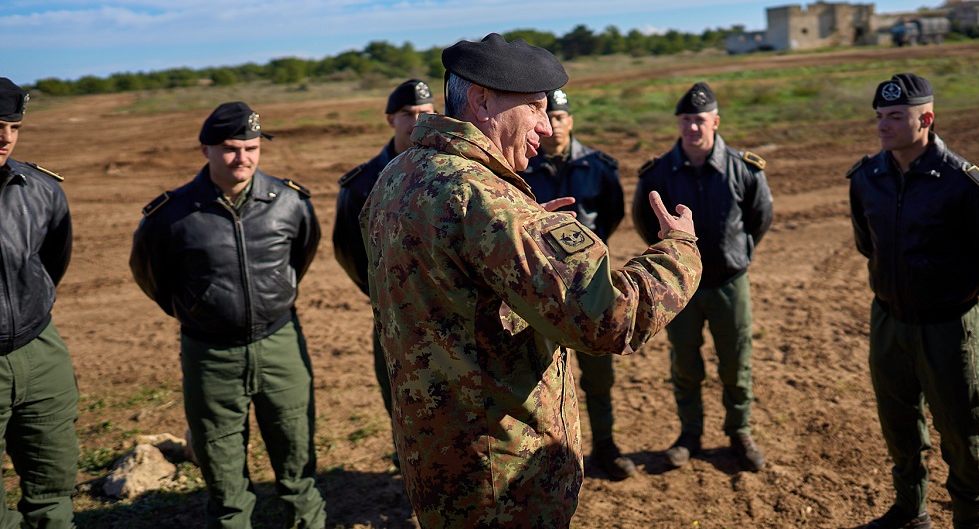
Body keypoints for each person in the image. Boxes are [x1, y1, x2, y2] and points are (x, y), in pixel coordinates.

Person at [361, 33, 703, 529]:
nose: (547, 126)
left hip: (436, 460)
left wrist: (508, 242)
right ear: (481, 100)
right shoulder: (483, 199)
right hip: (502, 477)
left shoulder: (400, 174)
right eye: (536, 108)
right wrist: (679, 250)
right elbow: (612, 318)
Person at [846, 73, 979, 529]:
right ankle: (911, 511)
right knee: (898, 423)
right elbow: (867, 244)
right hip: (889, 321)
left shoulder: (964, 182)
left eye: (896, 117)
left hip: (948, 327)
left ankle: (970, 520)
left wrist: (962, 291)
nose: (883, 126)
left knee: (962, 431)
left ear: (926, 119)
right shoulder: (868, 177)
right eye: (880, 117)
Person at [130, 101, 325, 529]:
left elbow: (301, 257)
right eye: (231, 148)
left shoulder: (290, 202)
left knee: (298, 465)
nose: (243, 158)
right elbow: (151, 277)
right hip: (210, 356)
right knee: (223, 479)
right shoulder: (171, 215)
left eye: (252, 147)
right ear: (206, 150)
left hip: (280, 346)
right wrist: (200, 312)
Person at [632, 81, 773, 473]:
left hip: (730, 283)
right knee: (685, 363)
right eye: (686, 120)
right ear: (678, 123)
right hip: (680, 290)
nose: (692, 128)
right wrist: (675, 262)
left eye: (700, 120)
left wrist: (736, 255)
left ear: (715, 122)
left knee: (736, 361)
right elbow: (645, 221)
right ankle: (689, 435)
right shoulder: (659, 172)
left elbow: (759, 219)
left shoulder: (743, 169)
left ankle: (739, 432)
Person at [519, 88, 634, 480]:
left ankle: (605, 446)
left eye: (563, 117)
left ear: (571, 120)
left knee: (599, 377)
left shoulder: (599, 166)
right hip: (539, 295)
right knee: (540, 382)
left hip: (590, 292)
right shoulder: (519, 166)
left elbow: (612, 215)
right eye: (550, 118)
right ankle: (549, 459)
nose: (555, 127)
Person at [0, 78, 79, 529]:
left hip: (39, 351)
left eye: (14, 126)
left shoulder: (41, 189)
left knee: (53, 488)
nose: (5, 137)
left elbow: (53, 261)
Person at [333, 79, 435, 421]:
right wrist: (386, 293)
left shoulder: (453, 171)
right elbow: (348, 250)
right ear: (390, 118)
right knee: (402, 403)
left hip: (453, 314)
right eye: (408, 113)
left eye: (426, 112)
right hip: (394, 318)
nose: (417, 120)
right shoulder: (361, 184)